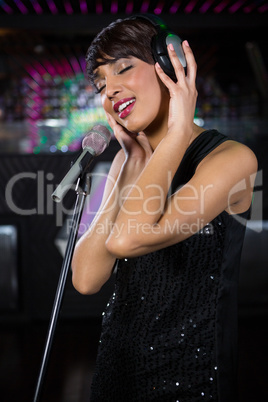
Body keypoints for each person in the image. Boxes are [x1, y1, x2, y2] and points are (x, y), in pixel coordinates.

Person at [71, 15, 257, 402]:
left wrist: (176, 132)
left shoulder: (232, 159)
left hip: (190, 378)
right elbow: (86, 278)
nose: (111, 91)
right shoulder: (130, 159)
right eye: (102, 84)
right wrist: (133, 162)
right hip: (116, 370)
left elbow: (127, 239)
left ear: (170, 65)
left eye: (124, 68)